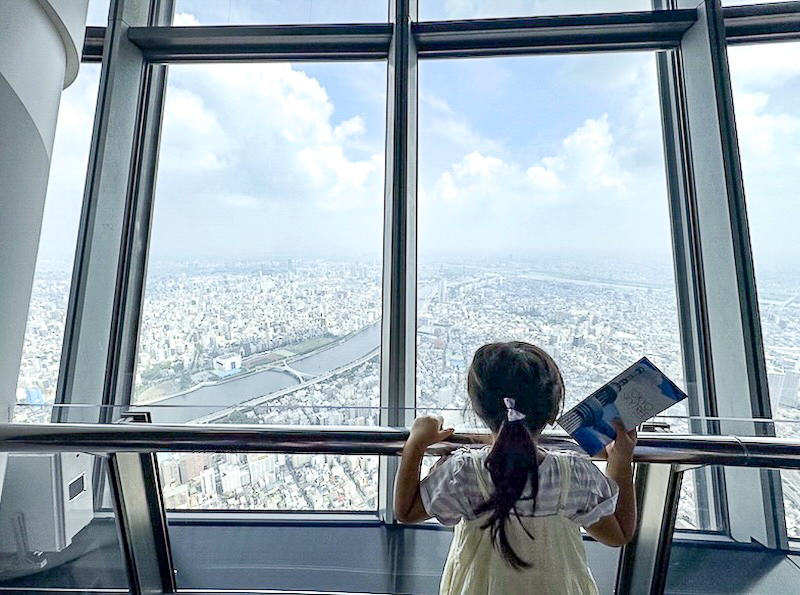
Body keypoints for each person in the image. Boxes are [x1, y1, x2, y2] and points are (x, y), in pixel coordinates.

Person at [394, 341, 637, 595]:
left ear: (478, 410)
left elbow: (407, 511)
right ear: (552, 412)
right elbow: (618, 533)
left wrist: (417, 442)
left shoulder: (464, 473)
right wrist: (620, 461)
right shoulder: (573, 475)